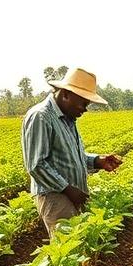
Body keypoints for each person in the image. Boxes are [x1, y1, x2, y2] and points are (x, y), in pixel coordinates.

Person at [21, 68, 122, 236]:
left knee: (78, 246)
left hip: (70, 193)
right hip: (55, 195)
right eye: (83, 103)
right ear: (66, 94)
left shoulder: (68, 119)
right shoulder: (41, 116)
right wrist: (69, 190)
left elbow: (73, 157)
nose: (85, 109)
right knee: (68, 251)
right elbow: (36, 165)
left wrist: (97, 161)